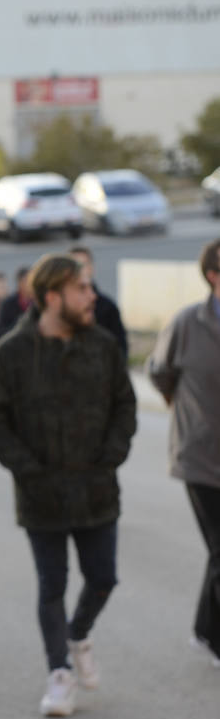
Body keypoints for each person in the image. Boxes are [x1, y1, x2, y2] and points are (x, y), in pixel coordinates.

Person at [0, 253, 137, 717]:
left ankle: (78, 632)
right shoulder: (10, 352)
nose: (92, 296)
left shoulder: (102, 346)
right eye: (82, 288)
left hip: (97, 490)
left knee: (103, 577)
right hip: (41, 494)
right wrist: (29, 469)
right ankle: (59, 674)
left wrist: (111, 457)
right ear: (53, 296)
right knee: (52, 585)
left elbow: (125, 405)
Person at [148, 238, 220, 667]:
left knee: (218, 551)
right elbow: (159, 372)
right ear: (213, 276)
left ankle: (203, 628)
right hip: (201, 456)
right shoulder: (187, 324)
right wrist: (185, 409)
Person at [0, 266, 33, 343]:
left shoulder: (37, 302)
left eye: (31, 280)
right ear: (19, 283)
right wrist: (18, 325)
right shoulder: (7, 303)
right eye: (26, 281)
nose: (29, 284)